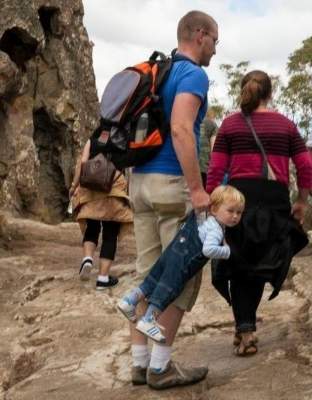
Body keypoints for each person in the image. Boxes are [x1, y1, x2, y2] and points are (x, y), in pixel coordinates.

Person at [128, 10, 218, 390]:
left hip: (140, 182)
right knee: (181, 275)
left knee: (148, 273)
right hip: (171, 184)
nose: (216, 46)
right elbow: (182, 128)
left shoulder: (156, 70)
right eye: (215, 38)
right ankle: (161, 368)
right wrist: (197, 190)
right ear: (200, 35)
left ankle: (138, 363)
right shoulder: (192, 74)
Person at [206, 70, 312, 356]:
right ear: (270, 93)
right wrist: (301, 200)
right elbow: (305, 165)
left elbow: (216, 169)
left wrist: (212, 204)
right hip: (275, 199)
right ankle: (245, 327)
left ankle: (245, 327)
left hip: (239, 198)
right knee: (264, 261)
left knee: (240, 262)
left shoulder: (230, 125)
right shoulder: (286, 126)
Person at [118, 185, 244, 343]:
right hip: (183, 262)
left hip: (173, 251)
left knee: (153, 279)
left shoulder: (203, 216)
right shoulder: (216, 230)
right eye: (230, 211)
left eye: (239, 212)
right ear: (214, 209)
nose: (235, 216)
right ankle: (148, 320)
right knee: (168, 289)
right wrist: (226, 251)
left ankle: (129, 301)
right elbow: (208, 250)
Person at [69, 127, 133, 290]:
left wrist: (74, 185)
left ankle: (87, 259)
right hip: (115, 188)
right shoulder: (125, 137)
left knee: (92, 226)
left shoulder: (95, 136)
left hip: (92, 187)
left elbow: (83, 162)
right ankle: (103, 278)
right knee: (110, 234)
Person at [199, 109, 218, 186]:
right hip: (204, 164)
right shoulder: (213, 124)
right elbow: (214, 147)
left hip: (190, 165)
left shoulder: (193, 122)